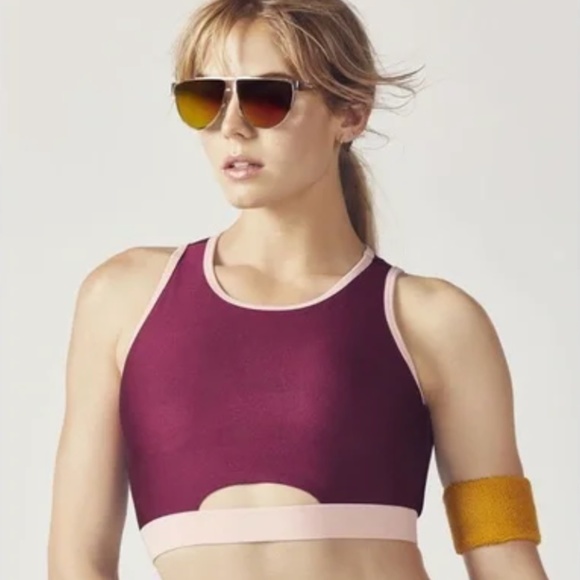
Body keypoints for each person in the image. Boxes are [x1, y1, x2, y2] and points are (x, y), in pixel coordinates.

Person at [47, 1, 549, 579]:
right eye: (205, 98)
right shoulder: (123, 301)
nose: (232, 127)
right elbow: (77, 560)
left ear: (351, 113)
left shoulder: (435, 321)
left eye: (267, 96)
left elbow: (502, 551)